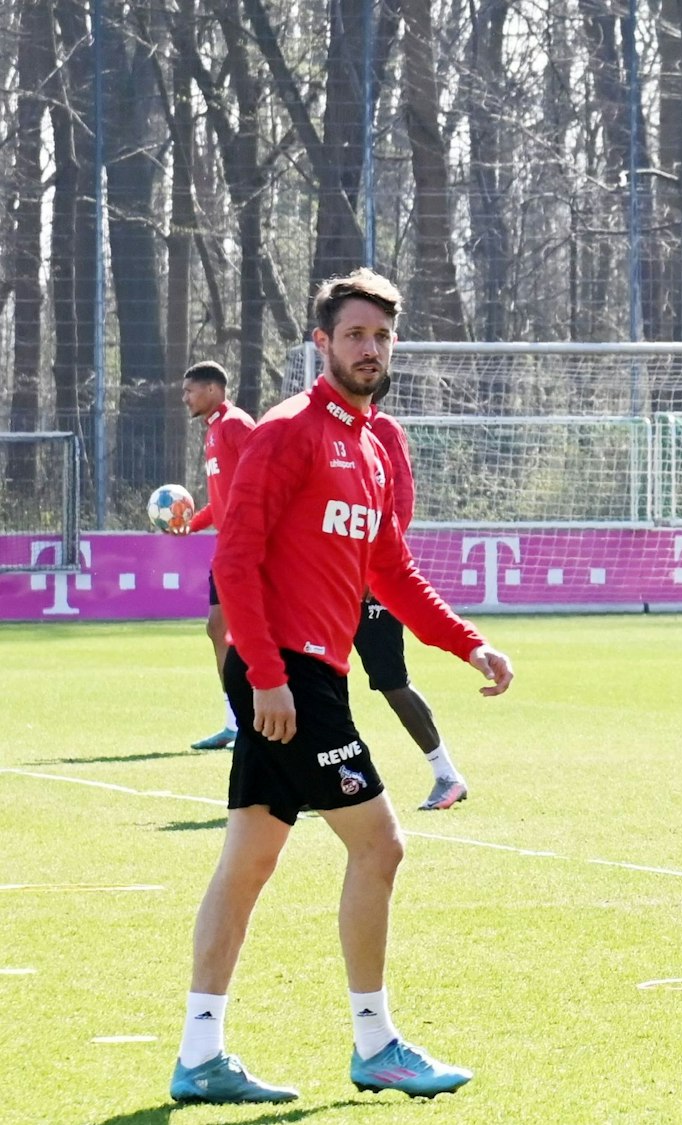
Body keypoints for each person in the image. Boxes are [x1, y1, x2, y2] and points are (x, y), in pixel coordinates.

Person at [172, 269, 515, 1105]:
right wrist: (264, 677)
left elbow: (390, 568)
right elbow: (236, 559)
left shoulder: (373, 444)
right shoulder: (288, 433)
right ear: (321, 343)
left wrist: (467, 643)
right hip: (288, 676)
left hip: (309, 674)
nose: (371, 350)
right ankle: (377, 1042)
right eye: (355, 335)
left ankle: (199, 1054)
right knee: (381, 843)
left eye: (383, 337)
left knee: (247, 861)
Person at [358, 382, 470, 810]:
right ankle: (321, 779)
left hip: (373, 583)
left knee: (390, 681)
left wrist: (375, 568)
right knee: (312, 678)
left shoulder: (383, 430)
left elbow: (400, 506)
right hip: (336, 582)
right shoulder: (335, 434)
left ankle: (447, 775)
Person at [172, 361, 257, 751]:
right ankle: (235, 722)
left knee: (246, 634)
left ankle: (254, 720)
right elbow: (221, 498)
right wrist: (191, 523)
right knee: (217, 629)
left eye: (190, 390)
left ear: (211, 390)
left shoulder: (237, 424)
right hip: (227, 550)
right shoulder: (212, 432)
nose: (185, 397)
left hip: (250, 549)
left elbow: (263, 476)